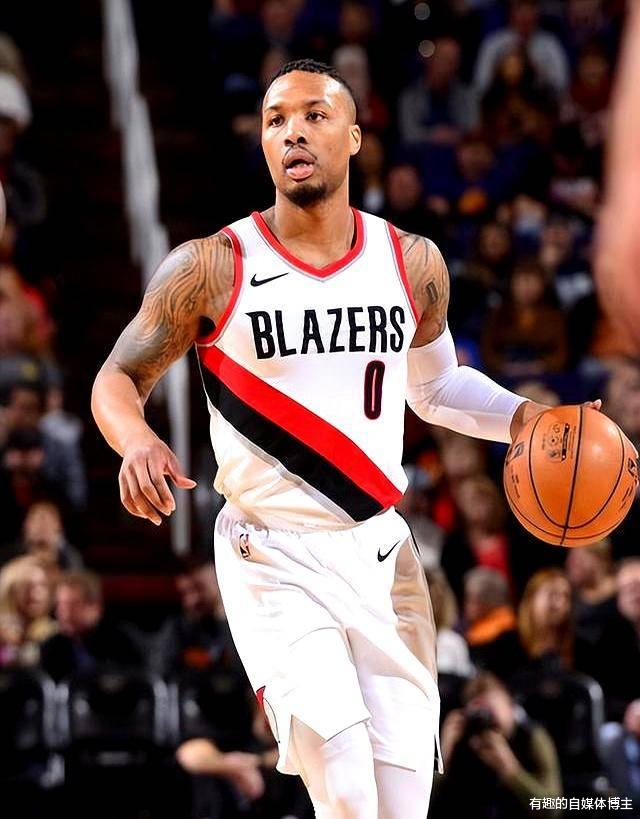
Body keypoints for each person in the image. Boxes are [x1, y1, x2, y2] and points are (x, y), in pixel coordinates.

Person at [92, 58, 580, 818]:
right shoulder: (212, 266)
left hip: (381, 552)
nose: (293, 132)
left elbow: (436, 390)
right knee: (348, 790)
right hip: (270, 552)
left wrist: (528, 419)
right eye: (276, 119)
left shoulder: (411, 262)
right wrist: (136, 441)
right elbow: (117, 378)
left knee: (402, 805)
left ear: (355, 137)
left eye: (314, 115)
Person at [432, 672, 563, 819]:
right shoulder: (463, 743)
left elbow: (553, 808)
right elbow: (422, 804)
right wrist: (444, 756)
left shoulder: (532, 738)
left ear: (510, 705)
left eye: (492, 710)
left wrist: (511, 771)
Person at [39, 570, 143, 682]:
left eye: (72, 605)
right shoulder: (51, 647)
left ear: (95, 606)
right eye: (60, 605)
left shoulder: (123, 642)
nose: (63, 613)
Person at [0, 554, 56, 668]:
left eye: (42, 585)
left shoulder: (55, 634)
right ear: (11, 590)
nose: (36, 593)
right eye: (27, 586)